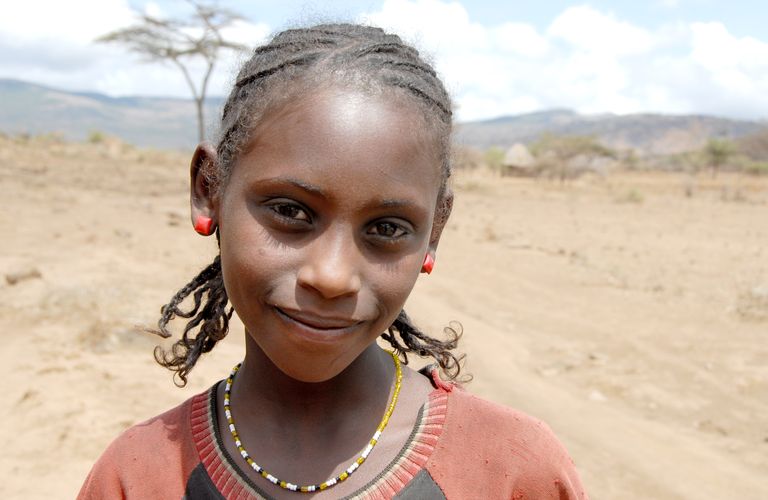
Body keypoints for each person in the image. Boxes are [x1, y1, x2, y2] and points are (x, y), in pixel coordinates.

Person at [78, 23, 587, 499]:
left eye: (387, 228)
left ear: (434, 231)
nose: (332, 277)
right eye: (289, 211)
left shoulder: (513, 470)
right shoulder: (138, 476)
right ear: (209, 189)